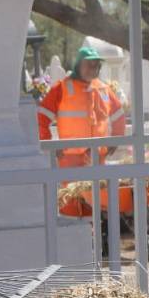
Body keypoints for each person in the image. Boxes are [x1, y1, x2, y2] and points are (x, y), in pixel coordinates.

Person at [36, 46, 128, 216]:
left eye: (96, 65)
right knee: (73, 205)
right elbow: (41, 118)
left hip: (97, 158)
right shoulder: (61, 88)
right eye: (88, 64)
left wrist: (116, 138)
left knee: (98, 204)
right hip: (71, 158)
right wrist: (50, 145)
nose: (92, 68)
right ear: (78, 65)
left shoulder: (104, 89)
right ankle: (74, 237)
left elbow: (119, 115)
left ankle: (98, 237)